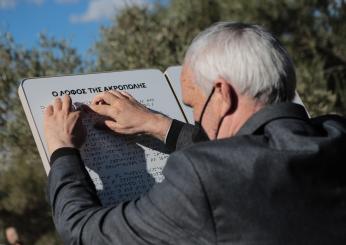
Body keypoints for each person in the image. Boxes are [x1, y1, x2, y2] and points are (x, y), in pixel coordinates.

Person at [44, 22, 346, 244]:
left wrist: (62, 149)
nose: (195, 117)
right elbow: (250, 150)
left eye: (194, 106)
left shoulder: (203, 177)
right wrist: (156, 124)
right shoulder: (335, 132)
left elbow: (82, 231)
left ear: (222, 95)